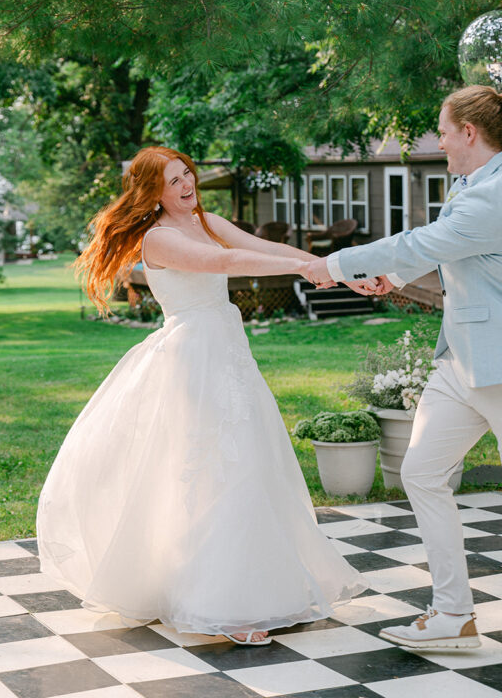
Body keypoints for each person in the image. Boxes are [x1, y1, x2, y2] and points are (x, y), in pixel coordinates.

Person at [37, 146, 365, 645]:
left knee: (250, 464)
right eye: (173, 181)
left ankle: (257, 591)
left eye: (187, 173)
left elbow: (261, 246)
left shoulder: (204, 220)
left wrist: (331, 266)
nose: (186, 185)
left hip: (228, 354)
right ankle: (222, 607)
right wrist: (306, 272)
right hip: (194, 360)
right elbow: (227, 261)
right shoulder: (159, 239)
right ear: (153, 193)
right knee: (213, 472)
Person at [306, 84, 502, 650]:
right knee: (420, 474)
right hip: (461, 363)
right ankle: (452, 616)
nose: (436, 140)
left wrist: (334, 264)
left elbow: (420, 241)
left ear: (468, 132)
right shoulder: (474, 184)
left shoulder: (495, 194)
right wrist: (394, 278)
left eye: (441, 129)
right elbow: (454, 260)